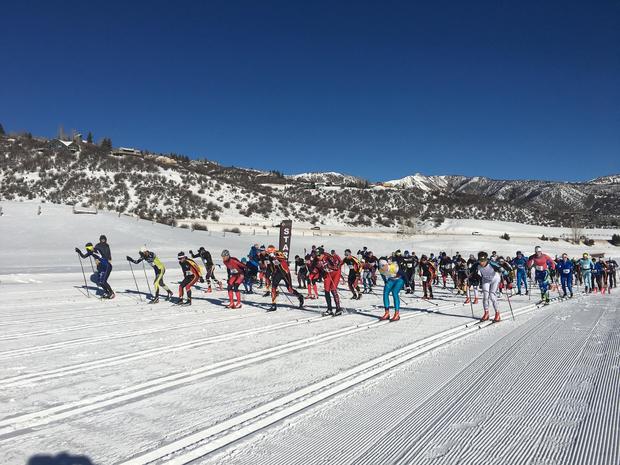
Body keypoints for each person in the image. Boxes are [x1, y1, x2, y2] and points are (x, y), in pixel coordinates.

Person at [476, 251, 507, 322]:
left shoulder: (491, 263)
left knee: (492, 296)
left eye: (483, 261)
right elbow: (471, 271)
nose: (482, 263)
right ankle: (486, 313)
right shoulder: (477, 264)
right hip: (486, 280)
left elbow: (504, 271)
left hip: (495, 279)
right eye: (480, 261)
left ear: (486, 259)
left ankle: (497, 313)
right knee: (485, 297)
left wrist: (503, 271)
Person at [316, 247, 343, 316]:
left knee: (333, 289)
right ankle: (329, 309)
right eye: (317, 255)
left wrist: (329, 266)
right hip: (327, 274)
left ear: (323, 254)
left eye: (319, 255)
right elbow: (316, 268)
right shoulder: (318, 259)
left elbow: (336, 266)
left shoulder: (328, 257)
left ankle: (338, 308)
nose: (318, 257)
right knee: (326, 290)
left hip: (335, 273)